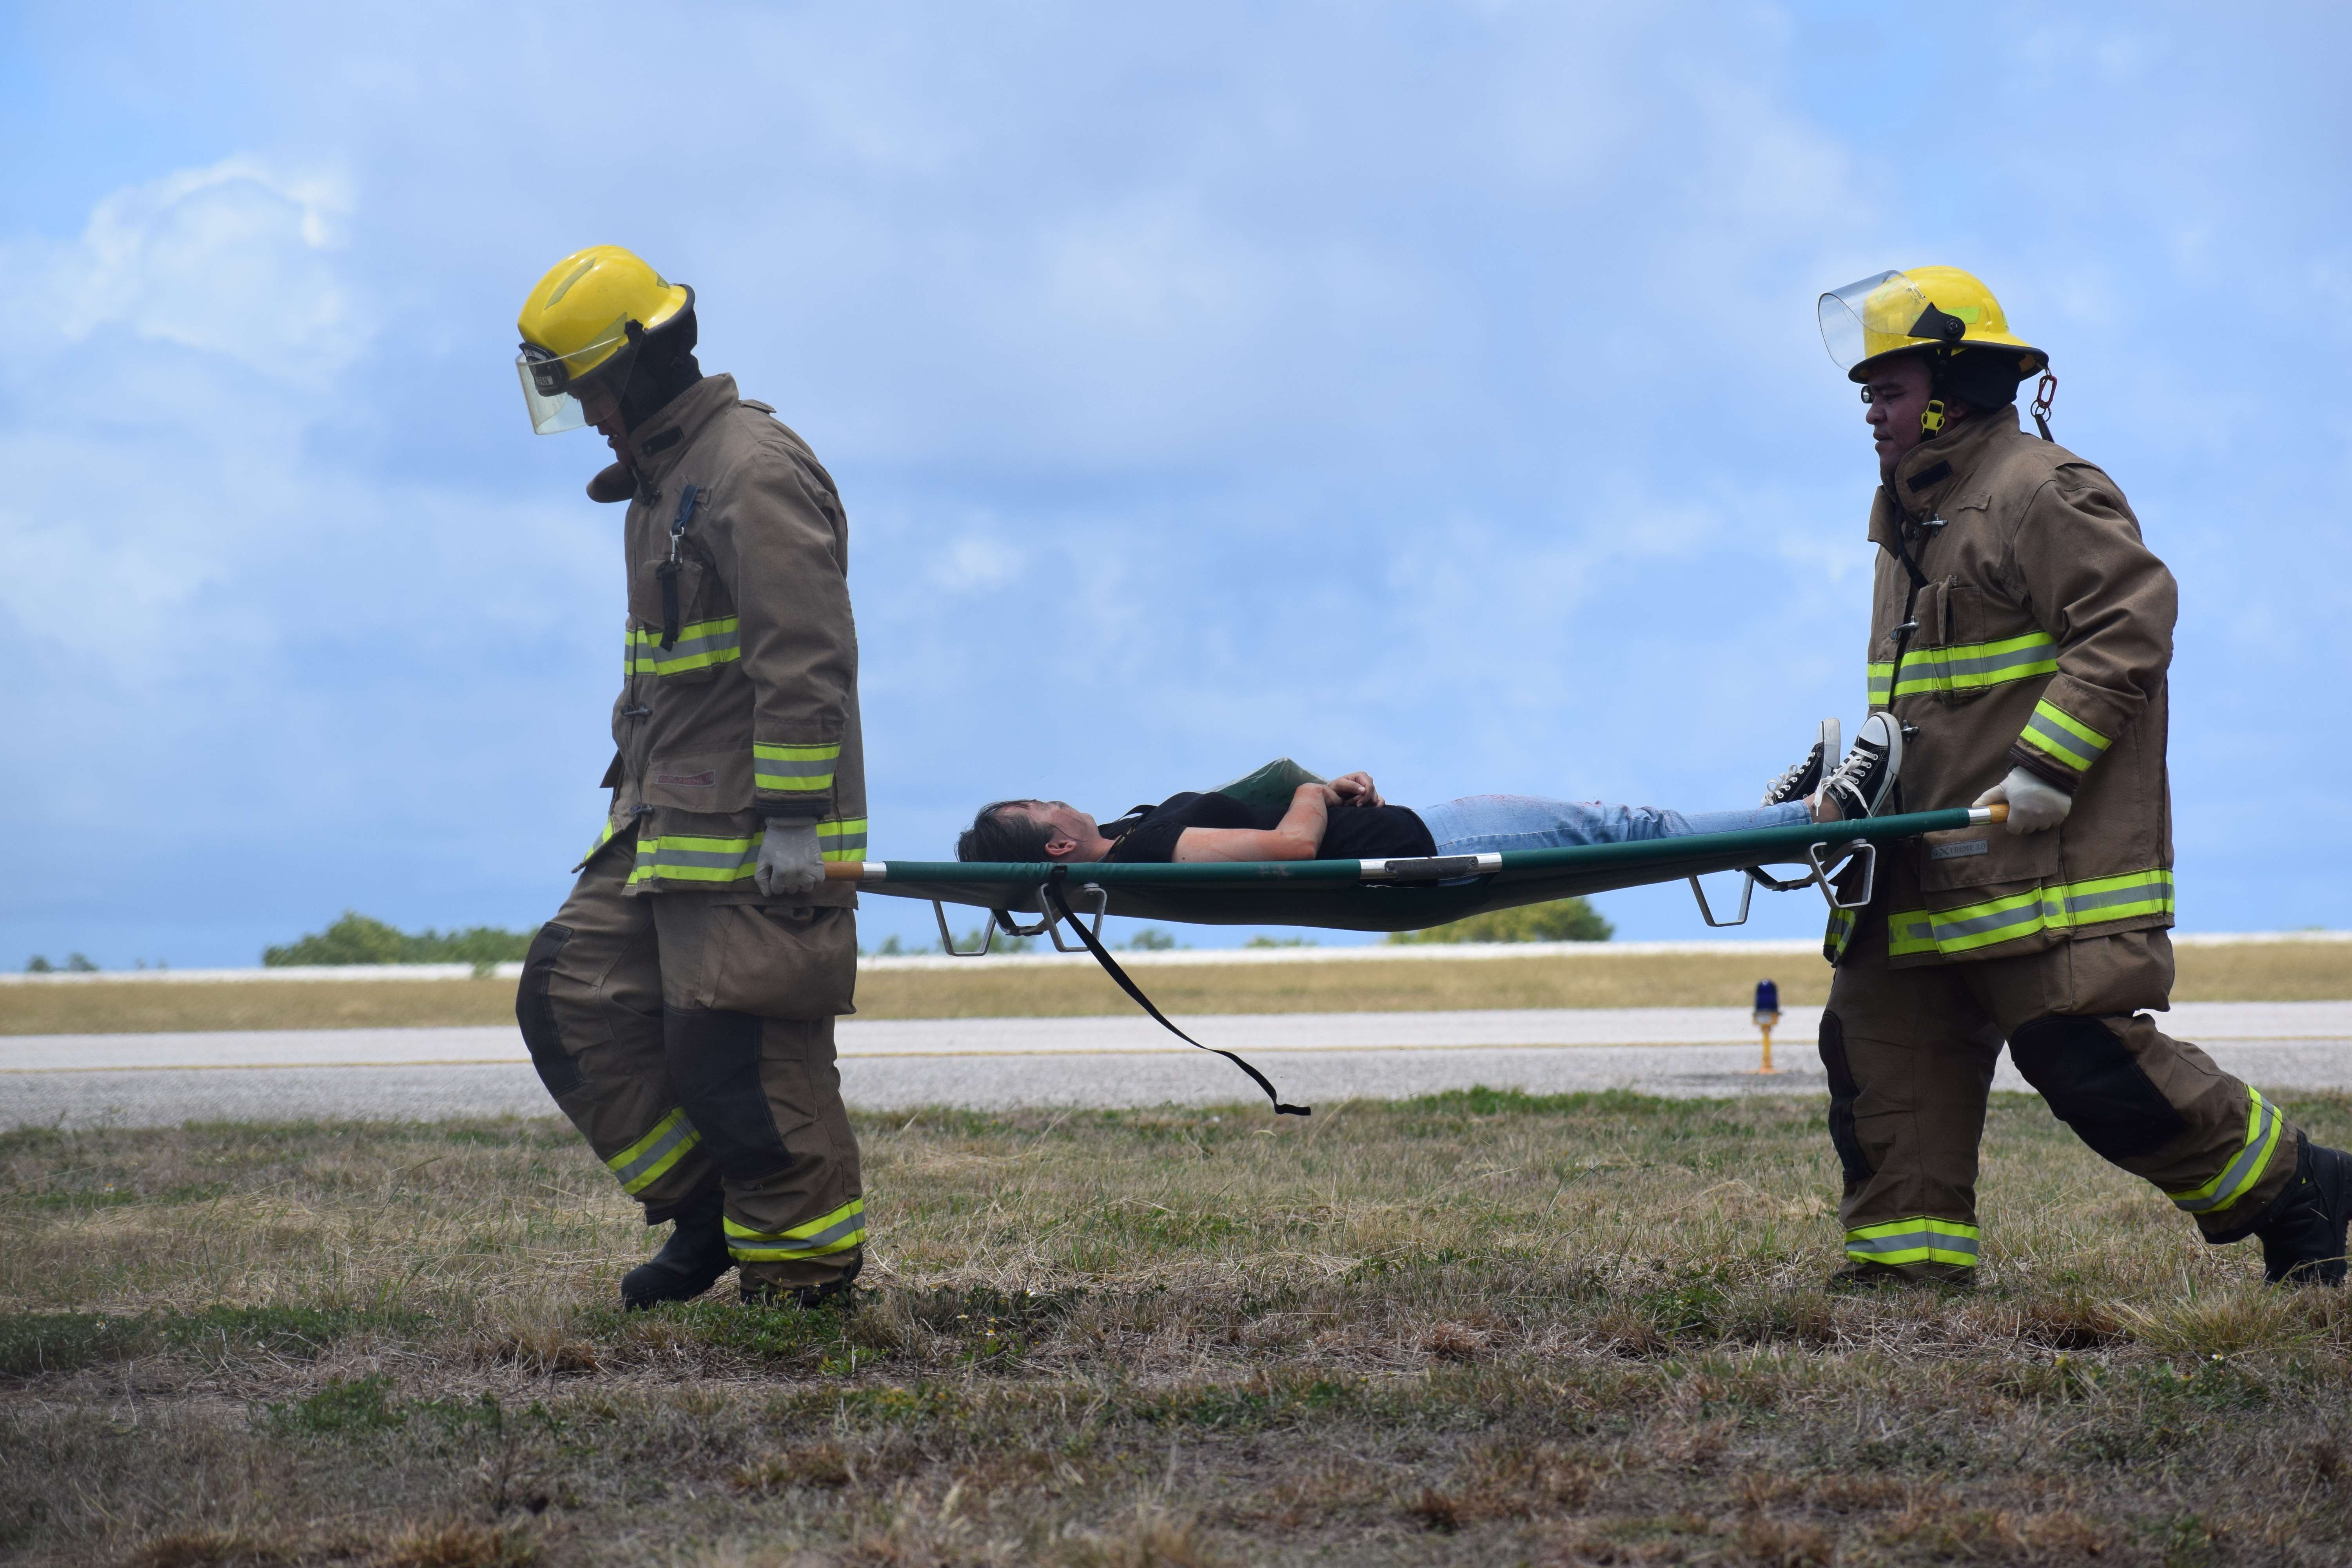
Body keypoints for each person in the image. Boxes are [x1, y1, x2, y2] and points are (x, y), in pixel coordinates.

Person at [1808, 266, 2348, 1287]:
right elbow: (1928, 708)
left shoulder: (2037, 490)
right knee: (1881, 1062)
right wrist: (1846, 785)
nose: (1871, 414)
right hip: (1918, 871)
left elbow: (2131, 620)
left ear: (1952, 390)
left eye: (1888, 391)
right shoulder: (1907, 526)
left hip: (2031, 868)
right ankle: (1903, 1276)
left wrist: (2047, 767)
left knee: (2090, 1067)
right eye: (1866, 396)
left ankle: (2303, 1190)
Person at [509, 245, 869, 1310]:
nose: (592, 419)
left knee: (744, 1060)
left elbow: (803, 655)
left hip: (762, 838)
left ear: (640, 368)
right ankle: (708, 1210)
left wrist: (799, 820)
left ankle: (801, 1284)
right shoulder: (666, 483)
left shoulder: (750, 471)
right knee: (569, 996)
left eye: (593, 395)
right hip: (668, 828)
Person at [956, 715, 1904, 866]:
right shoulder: (1153, 852)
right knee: (1629, 828)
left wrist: (1330, 787)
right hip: (1432, 849)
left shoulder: (1130, 839)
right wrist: (1320, 796)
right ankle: (1815, 817)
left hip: (1413, 833)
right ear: (1054, 846)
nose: (1055, 798)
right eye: (1039, 808)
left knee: (1625, 824)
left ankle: (1787, 810)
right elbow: (1289, 848)